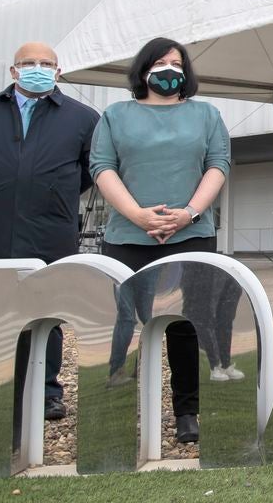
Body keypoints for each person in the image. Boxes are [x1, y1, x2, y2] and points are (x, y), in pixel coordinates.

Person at [0, 41, 99, 434]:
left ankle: (47, 390)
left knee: (45, 312)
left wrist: (49, 192)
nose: (37, 68)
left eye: (46, 63)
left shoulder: (82, 118)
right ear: (13, 71)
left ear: (58, 71)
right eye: (28, 63)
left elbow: (89, 170)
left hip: (51, 230)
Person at [91, 37, 231, 445]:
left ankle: (188, 411)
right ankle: (117, 405)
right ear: (143, 69)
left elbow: (218, 164)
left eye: (177, 62)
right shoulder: (116, 115)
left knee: (188, 325)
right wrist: (137, 214)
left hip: (190, 234)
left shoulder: (206, 114)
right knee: (126, 324)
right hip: (127, 237)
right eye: (160, 62)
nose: (169, 69)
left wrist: (188, 213)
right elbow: (102, 166)